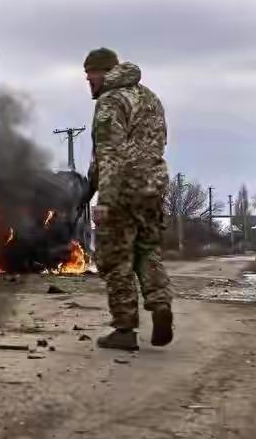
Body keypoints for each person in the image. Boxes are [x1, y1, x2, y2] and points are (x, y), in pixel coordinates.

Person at [84, 48, 173, 351]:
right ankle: (160, 304)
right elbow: (158, 142)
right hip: (153, 188)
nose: (87, 79)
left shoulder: (110, 102)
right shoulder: (149, 98)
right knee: (148, 249)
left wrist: (103, 199)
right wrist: (89, 183)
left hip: (122, 191)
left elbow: (110, 154)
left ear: (105, 72)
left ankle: (125, 330)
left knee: (116, 259)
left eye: (90, 73)